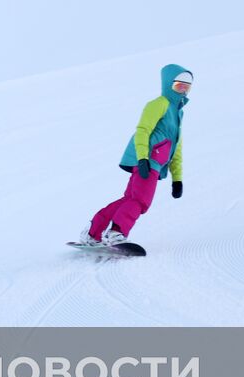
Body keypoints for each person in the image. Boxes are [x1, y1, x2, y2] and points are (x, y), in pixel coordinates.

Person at [81, 65, 191, 245]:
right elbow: (142, 130)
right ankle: (116, 233)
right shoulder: (159, 104)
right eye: (179, 85)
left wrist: (177, 178)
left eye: (187, 86)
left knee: (130, 199)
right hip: (148, 159)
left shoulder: (178, 112)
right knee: (141, 201)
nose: (183, 90)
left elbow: (176, 146)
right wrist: (142, 158)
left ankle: (93, 233)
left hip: (156, 161)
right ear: (168, 84)